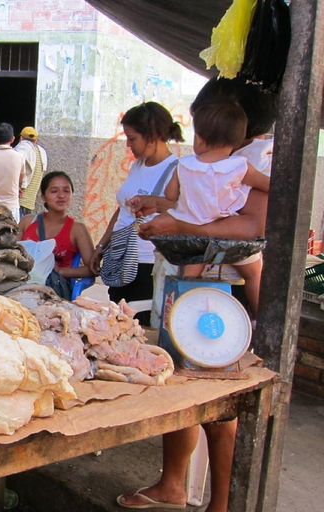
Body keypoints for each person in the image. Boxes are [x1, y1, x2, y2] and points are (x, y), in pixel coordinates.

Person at [117, 78, 278, 512]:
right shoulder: (211, 161)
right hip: (191, 283)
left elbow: (250, 228)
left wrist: (182, 227)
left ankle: (220, 504)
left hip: (227, 295)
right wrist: (163, 208)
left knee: (217, 403)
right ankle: (173, 483)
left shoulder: (254, 161)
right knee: (178, 381)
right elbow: (188, 207)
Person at [134, 101, 269, 317]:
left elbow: (171, 196)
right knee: (254, 274)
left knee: (187, 282)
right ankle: (260, 319)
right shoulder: (241, 165)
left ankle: (178, 321)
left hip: (193, 240)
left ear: (199, 138)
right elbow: (269, 185)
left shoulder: (185, 165)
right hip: (229, 240)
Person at [89, 102, 184, 326]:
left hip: (146, 263)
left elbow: (181, 213)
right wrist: (101, 247)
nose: (129, 145)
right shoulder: (137, 166)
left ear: (153, 135)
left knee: (138, 327)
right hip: (120, 257)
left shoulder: (177, 169)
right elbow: (122, 210)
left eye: (132, 139)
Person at [18, 171, 96, 281]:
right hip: (19, 284)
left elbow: (92, 269)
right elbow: (9, 251)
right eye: (54, 191)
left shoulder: (78, 230)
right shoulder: (27, 222)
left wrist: (60, 270)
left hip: (53, 290)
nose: (61, 195)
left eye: (66, 191)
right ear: (43, 197)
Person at [14, 126, 48, 217]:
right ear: (36, 140)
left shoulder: (22, 149)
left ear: (21, 138)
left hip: (18, 201)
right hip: (30, 202)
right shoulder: (42, 153)